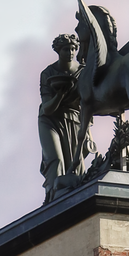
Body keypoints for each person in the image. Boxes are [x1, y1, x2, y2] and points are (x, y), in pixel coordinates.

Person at [38, 32, 82, 199]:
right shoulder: (48, 73)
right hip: (49, 120)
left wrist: (88, 133)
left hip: (74, 119)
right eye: (66, 49)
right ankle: (52, 198)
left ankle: (71, 199)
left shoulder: (81, 71)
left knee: (74, 166)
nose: (70, 52)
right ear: (58, 51)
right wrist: (59, 96)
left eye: (73, 49)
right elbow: (48, 108)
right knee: (56, 160)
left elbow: (88, 104)